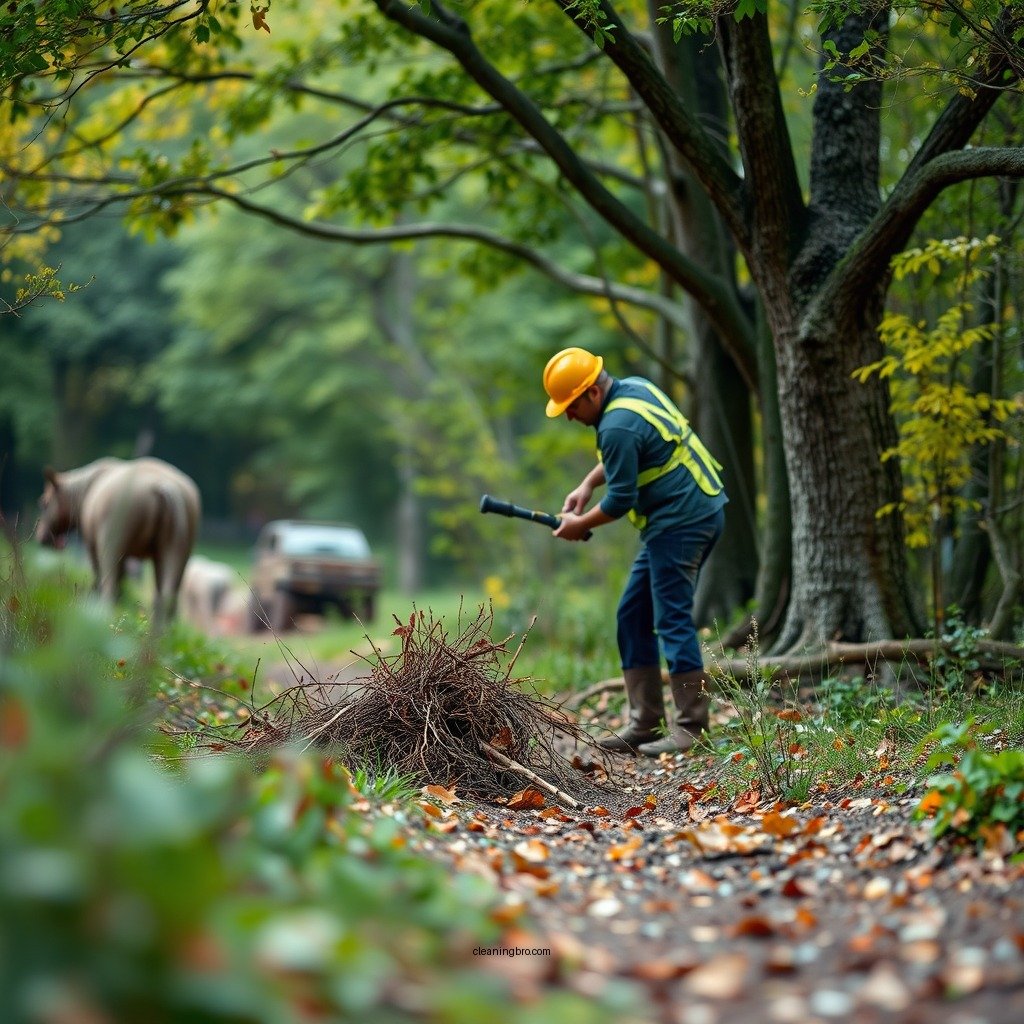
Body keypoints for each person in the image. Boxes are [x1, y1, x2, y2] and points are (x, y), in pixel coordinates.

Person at [543, 347, 728, 756]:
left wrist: (580, 525)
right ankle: (645, 722)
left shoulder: (616, 426)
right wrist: (588, 484)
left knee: (672, 618)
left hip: (682, 523)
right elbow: (625, 453)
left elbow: (621, 499)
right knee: (632, 615)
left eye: (571, 407)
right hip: (689, 515)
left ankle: (691, 728)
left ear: (592, 392)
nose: (569, 416)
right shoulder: (633, 391)